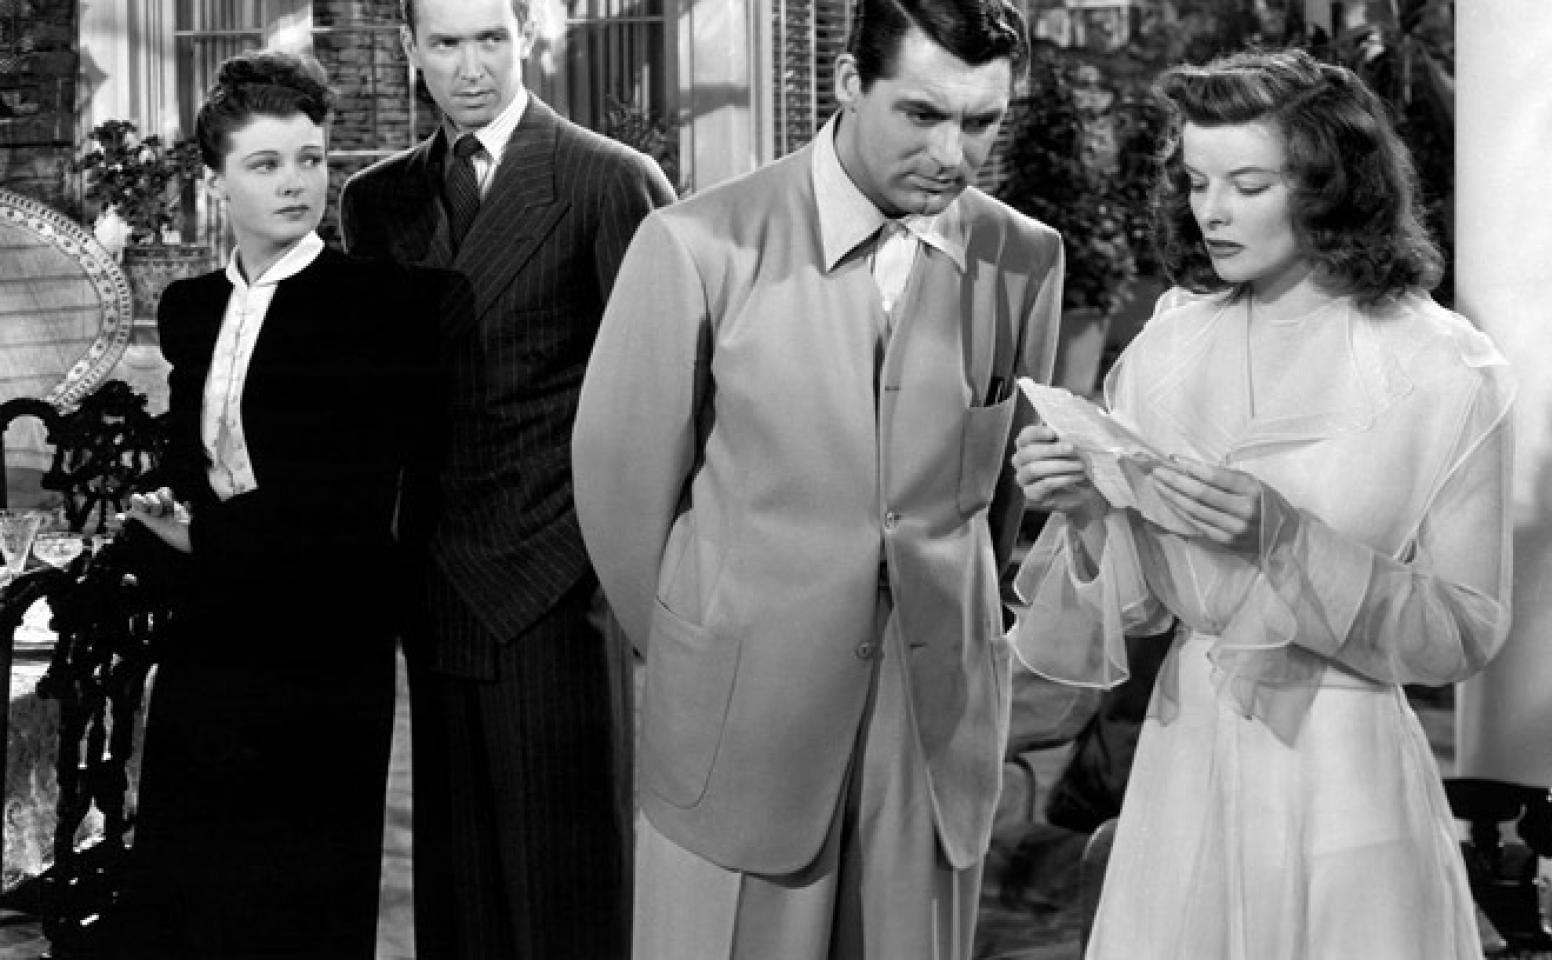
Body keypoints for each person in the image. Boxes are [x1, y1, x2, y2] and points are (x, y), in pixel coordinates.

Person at [572, 0, 1062, 955]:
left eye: (982, 122)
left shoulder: (1023, 258)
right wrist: (705, 645)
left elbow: (997, 507)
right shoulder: (697, 245)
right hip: (742, 716)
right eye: (922, 114)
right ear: (847, 83)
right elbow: (621, 495)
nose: (953, 154)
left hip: (931, 722)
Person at [1008, 48, 1515, 959]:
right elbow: (1136, 610)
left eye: (1247, 184)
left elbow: (1462, 632)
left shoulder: (1444, 368)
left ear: (1331, 186)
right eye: (1196, 181)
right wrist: (1086, 509)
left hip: (1343, 773)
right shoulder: (1169, 348)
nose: (1212, 210)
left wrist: (1287, 542)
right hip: (1183, 763)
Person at [338, 0, 676, 956]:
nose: (471, 67)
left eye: (491, 38)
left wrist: (608, 562)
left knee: (566, 888)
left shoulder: (609, 181)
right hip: (435, 577)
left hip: (558, 581)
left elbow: (664, 395)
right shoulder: (377, 201)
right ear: (409, 49)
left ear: (527, 36)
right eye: (446, 43)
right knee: (461, 890)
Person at [117, 49, 448, 959]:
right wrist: (168, 507)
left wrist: (203, 538)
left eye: (311, 159)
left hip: (322, 635)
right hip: (212, 626)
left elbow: (348, 495)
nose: (296, 183)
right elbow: (194, 453)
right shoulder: (189, 307)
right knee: (196, 881)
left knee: (301, 895)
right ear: (215, 182)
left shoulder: (374, 304)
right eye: (265, 164)